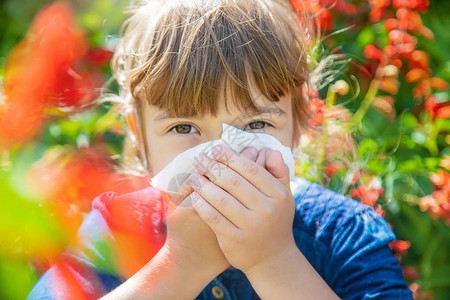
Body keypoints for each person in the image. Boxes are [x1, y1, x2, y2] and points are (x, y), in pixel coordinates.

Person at [27, 0, 413, 299]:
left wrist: (273, 260)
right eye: (184, 127)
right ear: (139, 135)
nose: (218, 156)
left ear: (298, 125)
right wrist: (180, 266)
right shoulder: (116, 230)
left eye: (256, 125)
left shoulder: (342, 233)